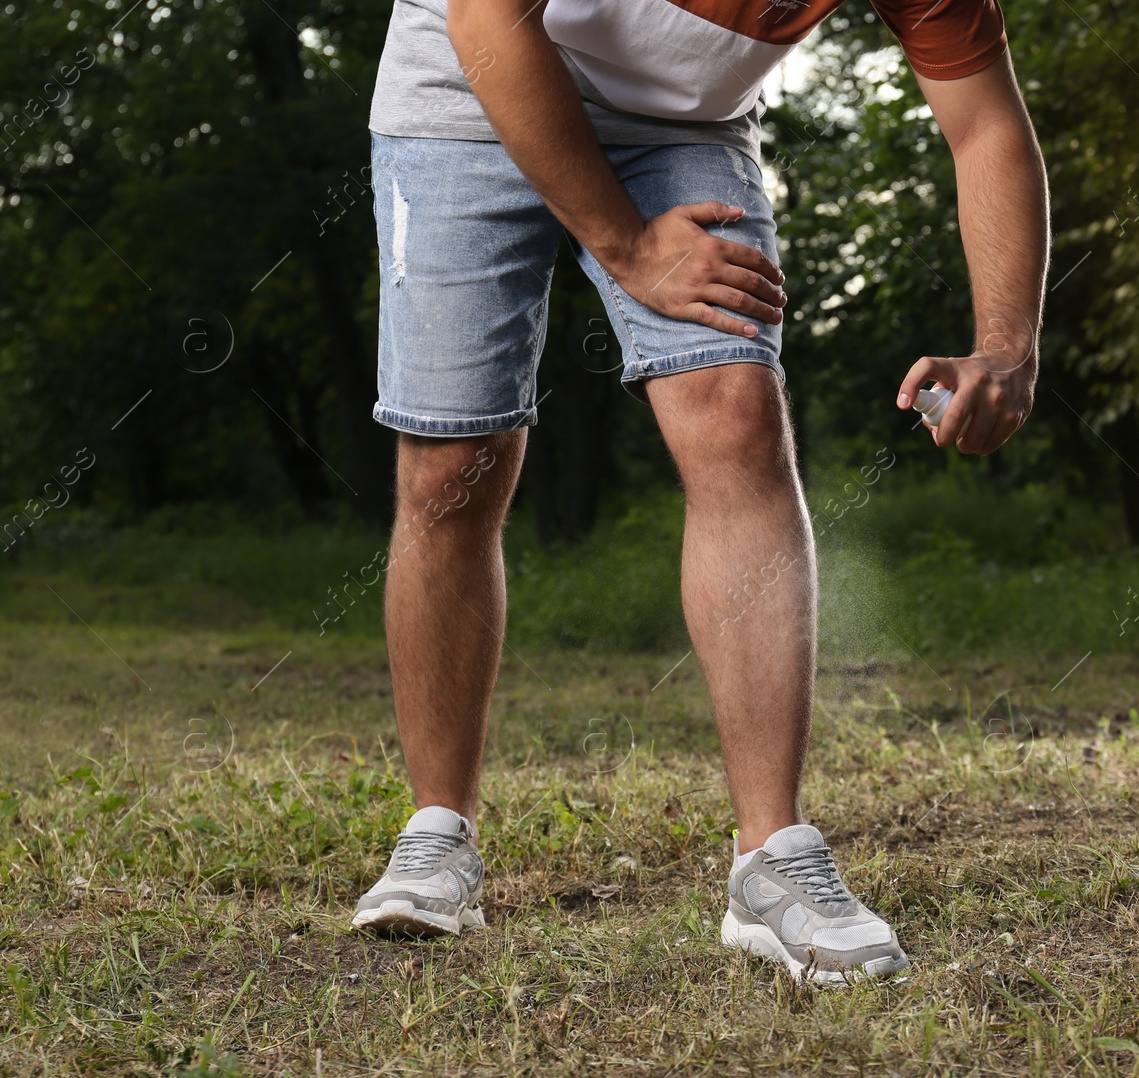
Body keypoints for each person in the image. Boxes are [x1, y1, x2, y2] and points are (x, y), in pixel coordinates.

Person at [349, 0, 1049, 983]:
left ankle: (773, 860)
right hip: (471, 82)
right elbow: (486, 18)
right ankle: (436, 832)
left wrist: (1008, 346)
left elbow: (982, 124)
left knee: (737, 419)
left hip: (681, 129)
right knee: (449, 471)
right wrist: (630, 246)